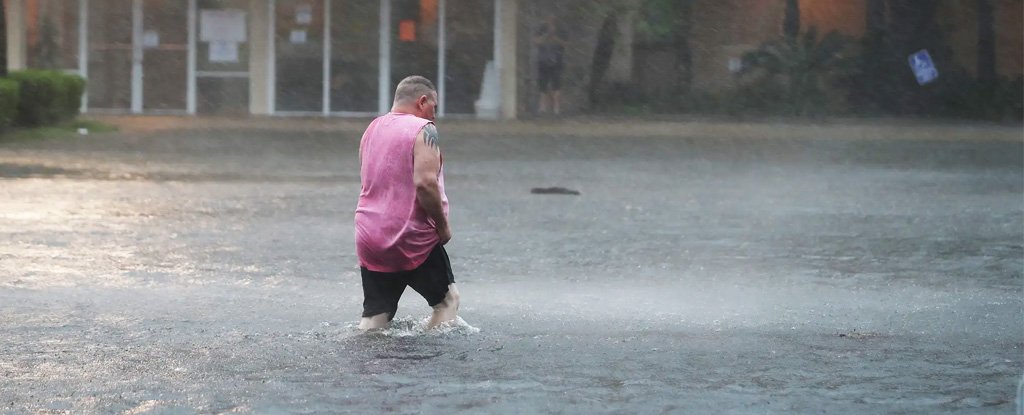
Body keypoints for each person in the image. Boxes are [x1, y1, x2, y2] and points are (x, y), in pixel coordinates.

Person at [354, 75, 460, 330]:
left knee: (376, 317)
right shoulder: (424, 129)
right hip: (410, 235)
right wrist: (442, 227)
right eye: (434, 107)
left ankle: (367, 362)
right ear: (422, 101)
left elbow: (371, 177)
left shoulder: (372, 128)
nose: (434, 115)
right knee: (448, 302)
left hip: (370, 235)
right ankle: (428, 355)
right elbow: (425, 184)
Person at [534, 14, 566, 115]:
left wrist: (555, 37)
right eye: (548, 18)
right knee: (542, 84)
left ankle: (556, 107)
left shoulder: (561, 29)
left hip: (557, 60)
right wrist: (546, 34)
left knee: (556, 85)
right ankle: (542, 107)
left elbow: (565, 44)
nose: (550, 20)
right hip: (543, 60)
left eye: (552, 18)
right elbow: (536, 41)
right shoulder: (541, 28)